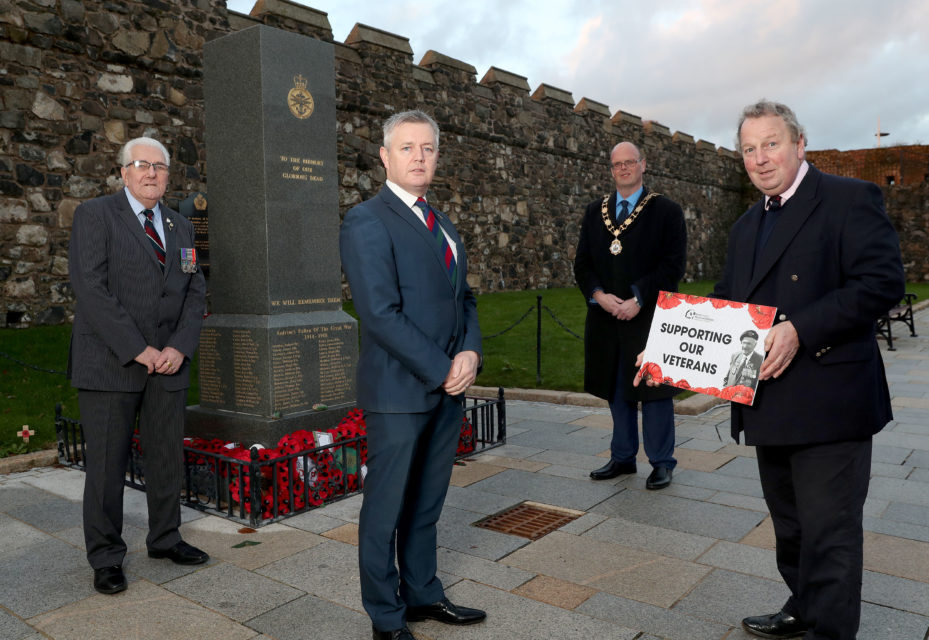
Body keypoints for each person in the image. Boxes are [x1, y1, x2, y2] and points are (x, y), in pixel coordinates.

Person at [638, 100, 904, 639]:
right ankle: (802, 606)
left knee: (830, 534)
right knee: (791, 528)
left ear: (800, 143)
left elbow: (882, 284)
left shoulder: (849, 199)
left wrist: (802, 326)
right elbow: (727, 306)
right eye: (749, 149)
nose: (760, 159)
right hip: (768, 401)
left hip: (831, 401)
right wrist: (666, 350)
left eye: (771, 144)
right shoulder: (744, 226)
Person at [339, 110, 485, 640]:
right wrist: (441, 368)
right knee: (386, 510)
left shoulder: (440, 221)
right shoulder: (366, 220)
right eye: (407, 148)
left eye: (427, 148)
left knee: (426, 502)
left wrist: (470, 354)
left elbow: (462, 297)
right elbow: (378, 313)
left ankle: (422, 593)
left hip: (448, 389)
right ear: (385, 156)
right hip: (400, 391)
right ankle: (386, 616)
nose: (419, 157)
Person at [68, 137, 208, 595]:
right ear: (124, 172)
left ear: (169, 175)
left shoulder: (180, 226)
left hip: (169, 365)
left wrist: (179, 348)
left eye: (160, 166)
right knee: (107, 467)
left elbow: (195, 291)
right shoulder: (96, 216)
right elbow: (91, 288)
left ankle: (165, 538)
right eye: (142, 165)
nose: (151, 173)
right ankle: (106, 557)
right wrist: (137, 349)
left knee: (166, 455)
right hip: (111, 363)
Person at [574, 141, 687, 490]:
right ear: (611, 169)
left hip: (649, 314)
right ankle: (623, 457)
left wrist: (638, 297)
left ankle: (661, 462)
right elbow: (583, 264)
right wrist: (599, 296)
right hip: (606, 316)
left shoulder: (666, 211)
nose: (623, 168)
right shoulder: (596, 211)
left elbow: (672, 265)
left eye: (630, 162)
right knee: (616, 388)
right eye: (617, 164)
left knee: (653, 391)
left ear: (643, 165)